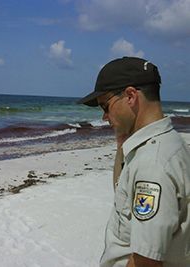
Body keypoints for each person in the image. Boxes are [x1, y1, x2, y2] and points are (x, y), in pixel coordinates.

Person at [78, 57, 190, 267]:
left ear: (130, 96)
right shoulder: (169, 142)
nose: (104, 117)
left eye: (105, 106)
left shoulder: (152, 163)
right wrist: (122, 141)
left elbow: (146, 260)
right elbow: (122, 193)